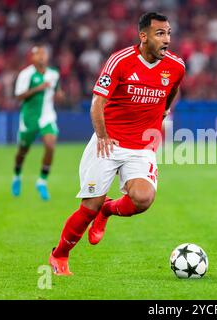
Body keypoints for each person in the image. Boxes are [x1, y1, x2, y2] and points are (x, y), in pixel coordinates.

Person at [49, 12, 185, 275]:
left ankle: (108, 211)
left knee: (144, 199)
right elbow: (97, 103)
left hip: (141, 147)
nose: (166, 39)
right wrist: (102, 136)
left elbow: (173, 89)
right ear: (143, 36)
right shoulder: (120, 61)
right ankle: (60, 254)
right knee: (89, 208)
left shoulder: (176, 66)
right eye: (160, 33)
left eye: (168, 33)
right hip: (108, 143)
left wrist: (164, 111)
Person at [12, 45, 63, 201]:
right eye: (37, 54)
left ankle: (41, 181)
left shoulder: (54, 74)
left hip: (47, 117)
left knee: (50, 145)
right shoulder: (26, 74)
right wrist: (38, 88)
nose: (41, 57)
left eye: (43, 54)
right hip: (29, 118)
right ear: (32, 58)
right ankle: (17, 176)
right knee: (23, 151)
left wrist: (60, 95)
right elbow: (19, 96)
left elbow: (57, 91)